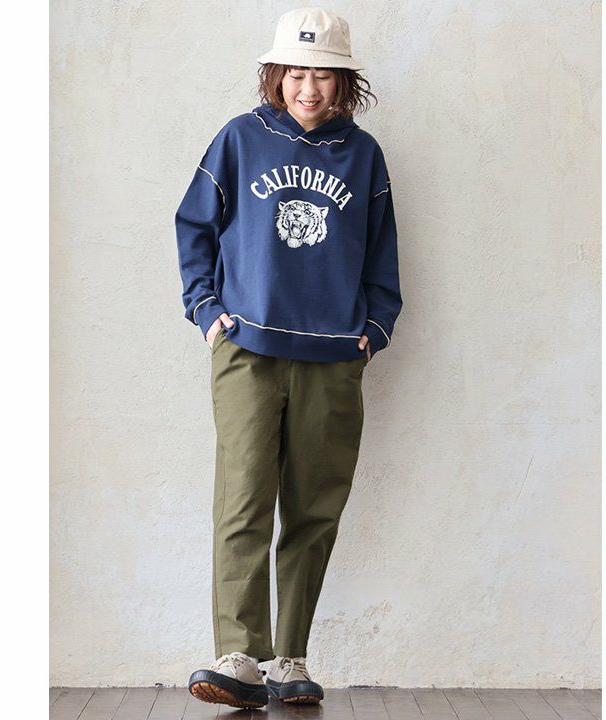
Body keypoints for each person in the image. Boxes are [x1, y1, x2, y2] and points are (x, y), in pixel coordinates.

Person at [175, 6, 403, 709]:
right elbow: (194, 226)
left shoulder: (363, 155)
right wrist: (207, 311)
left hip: (333, 356)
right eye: (297, 72)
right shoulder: (240, 139)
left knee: (313, 508)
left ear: (344, 84)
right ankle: (239, 655)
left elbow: (383, 252)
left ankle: (289, 658)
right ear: (276, 75)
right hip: (247, 349)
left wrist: (375, 327)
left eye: (324, 75)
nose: (309, 88)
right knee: (244, 497)